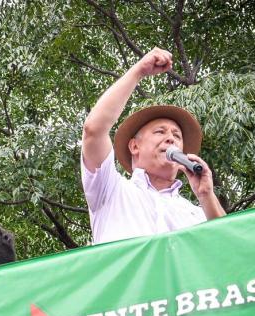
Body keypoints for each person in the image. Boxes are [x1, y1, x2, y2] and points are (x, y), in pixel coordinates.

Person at [82, 47, 225, 245]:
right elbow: (93, 130)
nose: (171, 139)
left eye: (177, 135)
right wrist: (139, 70)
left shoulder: (195, 214)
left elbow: (229, 249)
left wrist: (206, 196)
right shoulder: (111, 190)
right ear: (134, 146)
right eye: (160, 132)